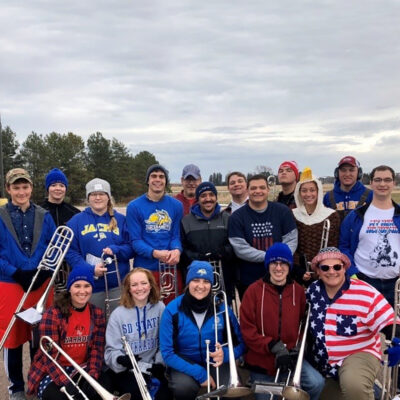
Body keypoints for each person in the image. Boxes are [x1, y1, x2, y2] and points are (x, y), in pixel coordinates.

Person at [307, 247, 399, 400]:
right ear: (318, 271)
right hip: (326, 364)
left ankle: (363, 384)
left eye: (337, 267)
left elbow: (389, 321)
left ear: (345, 268)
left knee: (354, 386)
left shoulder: (365, 292)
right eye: (325, 267)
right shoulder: (312, 291)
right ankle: (373, 391)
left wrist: (398, 341)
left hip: (358, 353)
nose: (332, 272)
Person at [240, 243, 324, 400]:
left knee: (316, 383)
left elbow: (302, 326)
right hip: (262, 359)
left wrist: (299, 347)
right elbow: (247, 330)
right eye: (274, 263)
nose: (278, 268)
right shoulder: (253, 291)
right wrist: (273, 346)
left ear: (289, 265)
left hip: (290, 358)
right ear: (268, 265)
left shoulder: (298, 291)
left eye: (283, 263)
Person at [0, 168, 56, 400]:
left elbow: (56, 246)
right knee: (12, 340)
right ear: (8, 189)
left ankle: (37, 382)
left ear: (31, 188)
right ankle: (16, 388)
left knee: (39, 337)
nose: (21, 192)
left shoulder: (45, 215)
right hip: (11, 284)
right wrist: (16, 272)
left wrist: (46, 272)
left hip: (41, 285)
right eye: (16, 187)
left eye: (25, 187)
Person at [160, 261, 245, 400]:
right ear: (188, 283)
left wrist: (226, 354)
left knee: (231, 389)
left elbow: (241, 343)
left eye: (206, 281)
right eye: (195, 280)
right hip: (185, 363)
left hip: (216, 361)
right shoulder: (172, 310)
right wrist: (200, 373)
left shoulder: (222, 308)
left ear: (211, 285)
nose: (200, 286)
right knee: (183, 388)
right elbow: (167, 353)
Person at [27, 266, 110, 400]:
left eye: (87, 286)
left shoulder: (97, 314)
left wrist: (93, 375)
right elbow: (50, 356)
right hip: (54, 370)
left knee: (104, 388)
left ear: (92, 288)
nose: (82, 291)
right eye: (77, 286)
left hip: (83, 367)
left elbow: (97, 349)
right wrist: (65, 382)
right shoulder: (53, 314)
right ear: (69, 288)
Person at [66, 178, 133, 314]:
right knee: (94, 329)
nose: (97, 198)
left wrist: (116, 250)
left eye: (102, 194)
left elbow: (132, 248)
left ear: (108, 197)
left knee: (117, 328)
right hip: (90, 286)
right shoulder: (76, 221)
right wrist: (89, 269)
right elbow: (70, 252)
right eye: (93, 194)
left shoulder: (121, 219)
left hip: (118, 286)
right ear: (88, 198)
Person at [105, 268, 171, 399]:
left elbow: (165, 341)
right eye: (134, 285)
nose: (139, 288)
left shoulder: (160, 308)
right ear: (128, 289)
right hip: (127, 370)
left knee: (165, 396)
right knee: (137, 394)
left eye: (144, 283)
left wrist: (159, 364)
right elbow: (111, 350)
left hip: (153, 367)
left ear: (151, 286)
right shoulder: (117, 315)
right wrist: (121, 359)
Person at [228, 174, 298, 298]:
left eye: (262, 187)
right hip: (249, 279)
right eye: (254, 188)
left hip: (280, 275)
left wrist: (278, 259)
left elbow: (291, 240)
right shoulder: (236, 217)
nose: (258, 191)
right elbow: (240, 248)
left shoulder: (283, 211)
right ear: (247, 190)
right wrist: (270, 257)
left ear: (268, 190)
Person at [339, 165, 400, 306]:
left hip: (396, 285)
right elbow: (344, 247)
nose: (382, 184)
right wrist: (353, 274)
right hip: (364, 282)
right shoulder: (355, 216)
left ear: (394, 183)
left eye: (387, 180)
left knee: (395, 328)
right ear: (371, 183)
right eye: (378, 180)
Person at [126, 164, 184, 302]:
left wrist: (177, 250)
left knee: (172, 311)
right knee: (146, 311)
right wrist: (155, 253)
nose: (157, 180)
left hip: (170, 268)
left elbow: (175, 235)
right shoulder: (134, 206)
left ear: (166, 181)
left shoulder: (176, 205)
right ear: (147, 180)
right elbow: (135, 241)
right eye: (154, 176)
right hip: (145, 269)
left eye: (161, 176)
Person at [181, 182, 235, 302]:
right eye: (203, 195)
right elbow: (183, 249)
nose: (208, 199)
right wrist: (197, 257)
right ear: (198, 199)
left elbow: (234, 245)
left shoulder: (227, 218)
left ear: (216, 197)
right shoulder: (186, 221)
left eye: (211, 195)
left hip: (223, 278)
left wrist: (222, 252)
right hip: (197, 279)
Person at [292, 167, 341, 284]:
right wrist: (300, 270)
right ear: (299, 193)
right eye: (304, 190)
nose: (308, 194)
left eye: (312, 190)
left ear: (318, 191)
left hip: (324, 271)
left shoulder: (331, 215)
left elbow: (334, 245)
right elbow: (291, 245)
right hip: (300, 273)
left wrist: (323, 267)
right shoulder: (292, 214)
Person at [323, 156, 372, 221]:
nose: (347, 174)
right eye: (343, 170)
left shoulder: (370, 195)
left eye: (351, 170)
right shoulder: (328, 197)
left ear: (359, 173)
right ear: (337, 173)